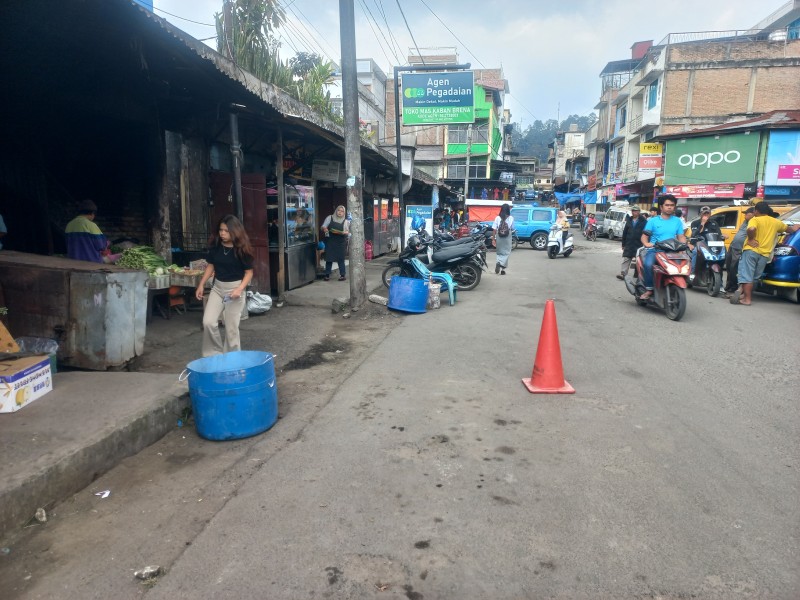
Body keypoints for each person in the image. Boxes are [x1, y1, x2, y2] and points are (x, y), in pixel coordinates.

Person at [195, 215, 254, 357]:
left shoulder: (242, 249)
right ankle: (213, 355)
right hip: (217, 288)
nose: (222, 233)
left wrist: (239, 289)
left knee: (231, 328)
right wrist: (201, 284)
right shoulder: (216, 246)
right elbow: (210, 266)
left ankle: (232, 358)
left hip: (235, 290)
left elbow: (249, 273)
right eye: (221, 230)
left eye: (226, 231)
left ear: (235, 231)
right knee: (208, 322)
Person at [731, 201, 800, 306]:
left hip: (751, 251)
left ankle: (747, 299)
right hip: (764, 255)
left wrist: (750, 239)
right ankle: (745, 295)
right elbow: (789, 229)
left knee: (746, 276)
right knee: (755, 277)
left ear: (756, 211)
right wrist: (796, 227)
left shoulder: (755, 219)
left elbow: (751, 229)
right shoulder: (775, 222)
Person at [639, 195, 687, 301]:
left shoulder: (677, 221)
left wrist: (684, 245)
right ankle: (649, 289)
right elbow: (644, 237)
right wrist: (647, 244)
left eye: (672, 205)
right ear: (661, 207)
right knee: (648, 264)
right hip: (655, 250)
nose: (669, 207)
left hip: (672, 251)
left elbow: (681, 237)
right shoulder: (653, 221)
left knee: (684, 265)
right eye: (667, 205)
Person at [723, 207, 755, 298]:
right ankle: (728, 288)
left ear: (753, 214)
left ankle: (734, 288)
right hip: (733, 247)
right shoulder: (745, 222)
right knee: (729, 267)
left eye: (747, 213)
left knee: (734, 268)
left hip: (739, 249)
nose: (745, 215)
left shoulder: (753, 222)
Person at [687, 206, 721, 275]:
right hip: (698, 244)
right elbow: (695, 234)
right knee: (695, 252)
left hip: (711, 245)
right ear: (700, 214)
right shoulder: (695, 223)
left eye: (707, 213)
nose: (706, 215)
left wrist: (722, 237)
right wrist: (702, 223)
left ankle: (719, 280)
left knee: (721, 254)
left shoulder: (714, 223)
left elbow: (719, 234)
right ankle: (692, 273)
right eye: (704, 213)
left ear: (710, 214)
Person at [320, 205, 350, 281]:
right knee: (329, 258)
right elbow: (323, 226)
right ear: (336, 211)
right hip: (330, 241)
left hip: (340, 242)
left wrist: (345, 233)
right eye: (338, 210)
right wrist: (325, 229)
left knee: (340, 259)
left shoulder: (346, 221)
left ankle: (342, 275)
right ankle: (327, 275)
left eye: (342, 211)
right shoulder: (330, 217)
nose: (340, 212)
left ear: (344, 213)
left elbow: (348, 232)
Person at [618, 205, 647, 280]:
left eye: (636, 211)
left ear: (639, 212)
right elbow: (625, 232)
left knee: (638, 260)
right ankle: (623, 274)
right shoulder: (629, 220)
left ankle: (637, 275)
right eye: (633, 211)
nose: (634, 212)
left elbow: (646, 233)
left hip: (639, 243)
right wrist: (623, 244)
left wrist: (646, 243)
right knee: (626, 258)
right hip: (629, 243)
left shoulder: (644, 221)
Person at [492, 203, 514, 275]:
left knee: (499, 251)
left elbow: (494, 229)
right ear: (508, 210)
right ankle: (502, 269)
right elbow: (512, 228)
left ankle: (498, 262)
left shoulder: (497, 218)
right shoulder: (511, 218)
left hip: (499, 236)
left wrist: (493, 239)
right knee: (506, 252)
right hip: (507, 237)